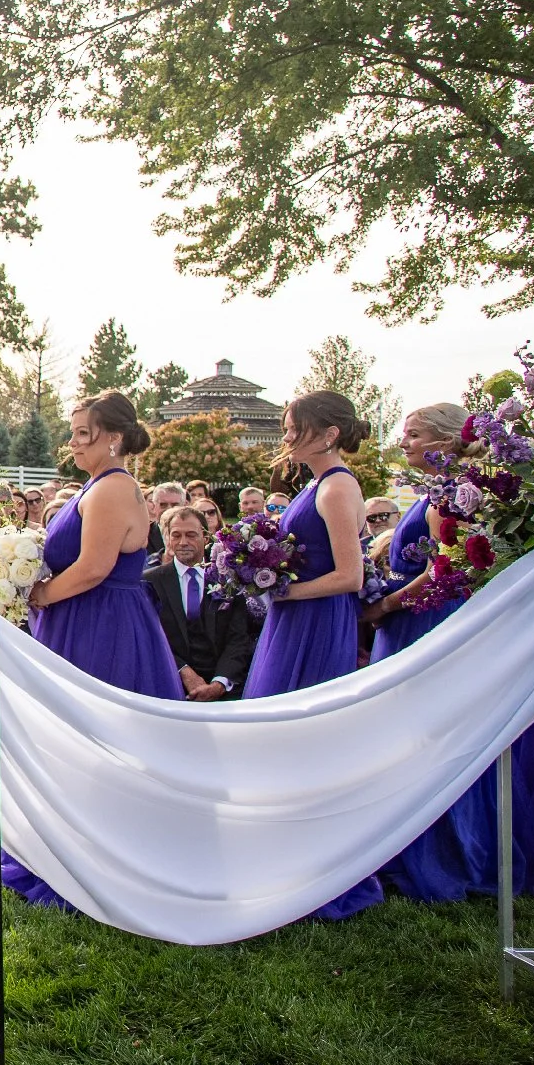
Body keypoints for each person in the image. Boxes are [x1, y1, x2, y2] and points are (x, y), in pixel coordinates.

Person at [0, 390, 183, 909]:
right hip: (85, 616)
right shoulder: (98, 485)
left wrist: (36, 593)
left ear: (113, 438)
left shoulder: (112, 489)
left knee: (93, 732)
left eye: (82, 433)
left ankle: (97, 846)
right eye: (73, 432)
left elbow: (93, 568)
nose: (73, 442)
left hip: (101, 624)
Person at [360, 404, 517, 901]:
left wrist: (383, 602)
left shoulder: (452, 497)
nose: (404, 442)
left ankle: (446, 855)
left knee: (431, 736)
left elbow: (442, 570)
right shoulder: (436, 491)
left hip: (428, 621)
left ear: (447, 441)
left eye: (414, 434)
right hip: (411, 620)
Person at [241, 390, 383, 919]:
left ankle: (316, 866)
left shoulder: (338, 486)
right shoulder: (318, 483)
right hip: (297, 619)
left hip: (316, 624)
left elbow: (350, 575)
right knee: (280, 736)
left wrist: (282, 593)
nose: (284, 435)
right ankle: (279, 853)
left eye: (292, 425)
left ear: (327, 434)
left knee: (306, 738)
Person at [145, 504, 253, 700]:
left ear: (205, 537)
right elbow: (149, 637)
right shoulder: (150, 582)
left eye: (191, 535)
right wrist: (183, 671)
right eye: (176, 535)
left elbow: (238, 639)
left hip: (225, 690)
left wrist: (220, 683)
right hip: (168, 686)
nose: (183, 542)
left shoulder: (228, 579)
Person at [143, 481, 188, 560]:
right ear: (154, 506)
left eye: (175, 505)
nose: (169, 509)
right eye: (163, 504)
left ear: (184, 506)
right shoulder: (143, 535)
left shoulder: (195, 534)